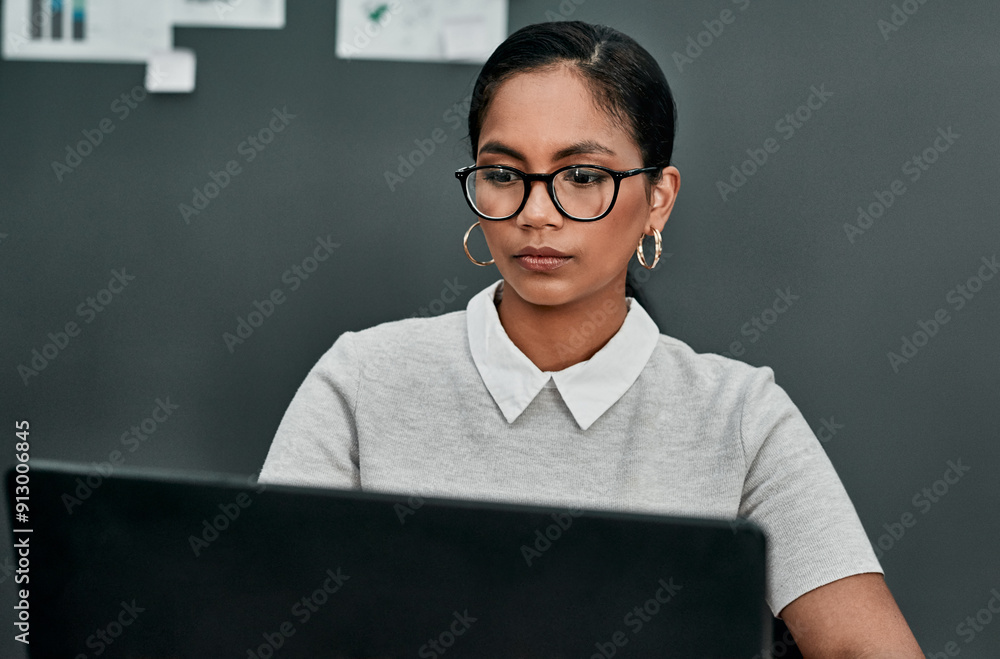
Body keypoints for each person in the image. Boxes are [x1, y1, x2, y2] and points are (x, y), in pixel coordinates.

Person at [258, 20, 923, 656]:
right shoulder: (362, 382)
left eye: (582, 177)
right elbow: (254, 623)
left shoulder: (739, 416)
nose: (537, 213)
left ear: (658, 197)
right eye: (503, 174)